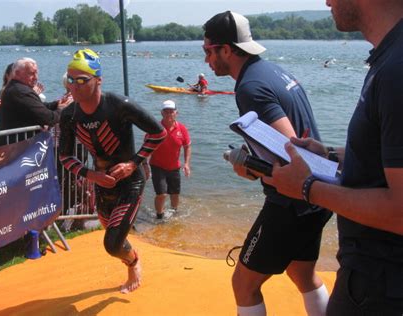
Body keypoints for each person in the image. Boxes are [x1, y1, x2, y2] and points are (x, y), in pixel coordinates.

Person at [264, 1, 403, 315]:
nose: (326, 1)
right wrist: (328, 154)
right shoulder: (390, 58)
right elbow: (383, 159)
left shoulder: (397, 69)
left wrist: (308, 188)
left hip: (382, 288)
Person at [203, 11, 332, 316]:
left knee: (244, 285)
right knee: (302, 274)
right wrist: (254, 162)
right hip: (317, 197)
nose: (206, 60)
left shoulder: (249, 87)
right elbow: (292, 145)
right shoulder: (272, 71)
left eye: (208, 51)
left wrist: (247, 167)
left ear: (227, 49)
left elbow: (293, 157)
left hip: (292, 203)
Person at [58, 48, 166, 293]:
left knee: (112, 242)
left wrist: (133, 163)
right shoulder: (69, 115)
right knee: (114, 238)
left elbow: (158, 132)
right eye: (70, 80)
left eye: (82, 80)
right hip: (102, 183)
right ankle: (131, 259)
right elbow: (65, 156)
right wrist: (91, 175)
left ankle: (134, 263)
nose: (74, 86)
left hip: (130, 182)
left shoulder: (118, 104)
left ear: (98, 80)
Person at [0, 57, 71, 144]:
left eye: (36, 73)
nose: (35, 77)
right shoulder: (21, 91)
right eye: (31, 74)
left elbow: (37, 106)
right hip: (15, 148)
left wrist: (57, 103)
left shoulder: (17, 88)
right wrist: (61, 109)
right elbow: (49, 119)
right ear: (17, 73)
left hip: (18, 146)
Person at [145, 100, 191, 219]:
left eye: (171, 111)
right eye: (166, 111)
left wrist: (186, 164)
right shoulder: (155, 128)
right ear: (162, 113)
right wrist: (145, 166)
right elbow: (146, 147)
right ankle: (159, 216)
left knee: (175, 194)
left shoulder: (182, 129)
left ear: (176, 113)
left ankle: (174, 213)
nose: (169, 114)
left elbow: (187, 146)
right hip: (157, 166)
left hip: (174, 167)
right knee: (162, 194)